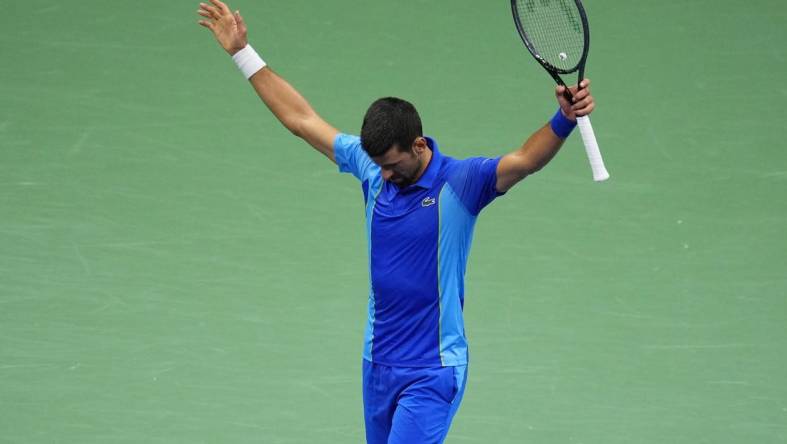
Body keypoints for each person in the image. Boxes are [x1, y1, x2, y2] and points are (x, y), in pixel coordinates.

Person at [197, 1, 595, 442]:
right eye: (377, 165)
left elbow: (523, 161)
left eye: (391, 164)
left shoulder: (460, 183)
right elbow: (302, 120)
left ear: (419, 144)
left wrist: (564, 119)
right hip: (377, 365)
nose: (383, 175)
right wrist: (243, 53)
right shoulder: (371, 170)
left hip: (432, 371)